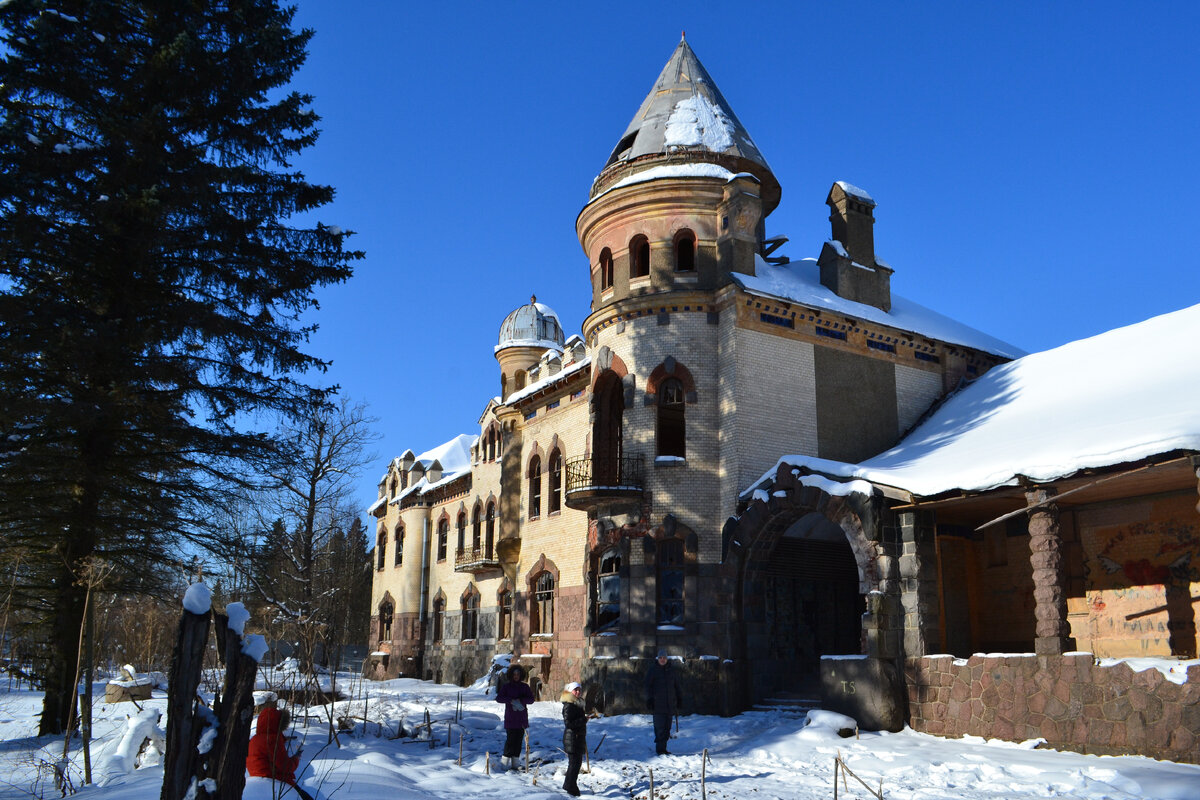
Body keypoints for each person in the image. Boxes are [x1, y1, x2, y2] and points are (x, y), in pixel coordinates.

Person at [246, 706, 314, 800]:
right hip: (273, 779)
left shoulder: (254, 739)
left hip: (255, 777)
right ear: (278, 723)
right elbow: (286, 766)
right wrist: (296, 758)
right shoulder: (273, 740)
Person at [494, 663, 534, 770]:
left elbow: (531, 700)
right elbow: (499, 698)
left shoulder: (525, 687)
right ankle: (504, 762)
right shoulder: (507, 686)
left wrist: (521, 700)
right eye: (514, 674)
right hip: (511, 718)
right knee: (510, 741)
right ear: (511, 675)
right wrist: (510, 700)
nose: (516, 676)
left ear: (521, 675)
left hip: (521, 718)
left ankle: (515, 763)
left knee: (519, 741)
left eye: (518, 674)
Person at [643, 650, 682, 755]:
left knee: (667, 729)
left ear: (667, 659)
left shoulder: (672, 671)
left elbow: (677, 686)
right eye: (660, 658)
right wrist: (649, 699)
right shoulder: (653, 670)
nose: (662, 659)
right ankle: (660, 750)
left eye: (664, 658)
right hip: (658, 705)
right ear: (658, 659)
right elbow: (647, 686)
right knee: (660, 729)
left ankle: (663, 749)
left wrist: (679, 699)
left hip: (669, 705)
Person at [560, 681, 587, 797]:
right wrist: (583, 720)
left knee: (575, 763)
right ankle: (570, 786)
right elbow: (568, 723)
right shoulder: (569, 704)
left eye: (579, 690)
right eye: (575, 690)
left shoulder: (577, 703)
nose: (578, 692)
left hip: (577, 738)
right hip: (572, 739)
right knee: (574, 764)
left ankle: (569, 784)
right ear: (570, 691)